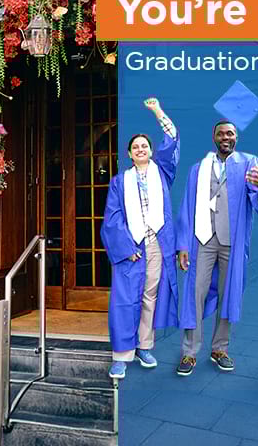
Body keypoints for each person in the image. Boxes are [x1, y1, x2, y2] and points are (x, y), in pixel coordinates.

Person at [175, 116, 258, 376]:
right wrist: (183, 244)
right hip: (202, 240)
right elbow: (187, 206)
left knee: (228, 294)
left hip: (232, 240)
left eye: (230, 134)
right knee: (195, 294)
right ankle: (189, 352)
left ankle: (220, 348)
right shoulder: (198, 168)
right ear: (214, 137)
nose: (226, 138)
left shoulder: (249, 163)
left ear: (236, 137)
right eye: (221, 134)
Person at [101, 98, 179, 380]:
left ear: (150, 150)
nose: (141, 149)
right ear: (129, 154)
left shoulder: (163, 171)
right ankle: (122, 356)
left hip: (158, 242)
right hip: (132, 245)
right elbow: (112, 217)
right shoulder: (120, 181)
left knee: (149, 296)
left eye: (144, 145)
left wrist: (158, 111)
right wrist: (125, 246)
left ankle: (145, 346)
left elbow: (172, 137)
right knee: (124, 299)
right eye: (135, 147)